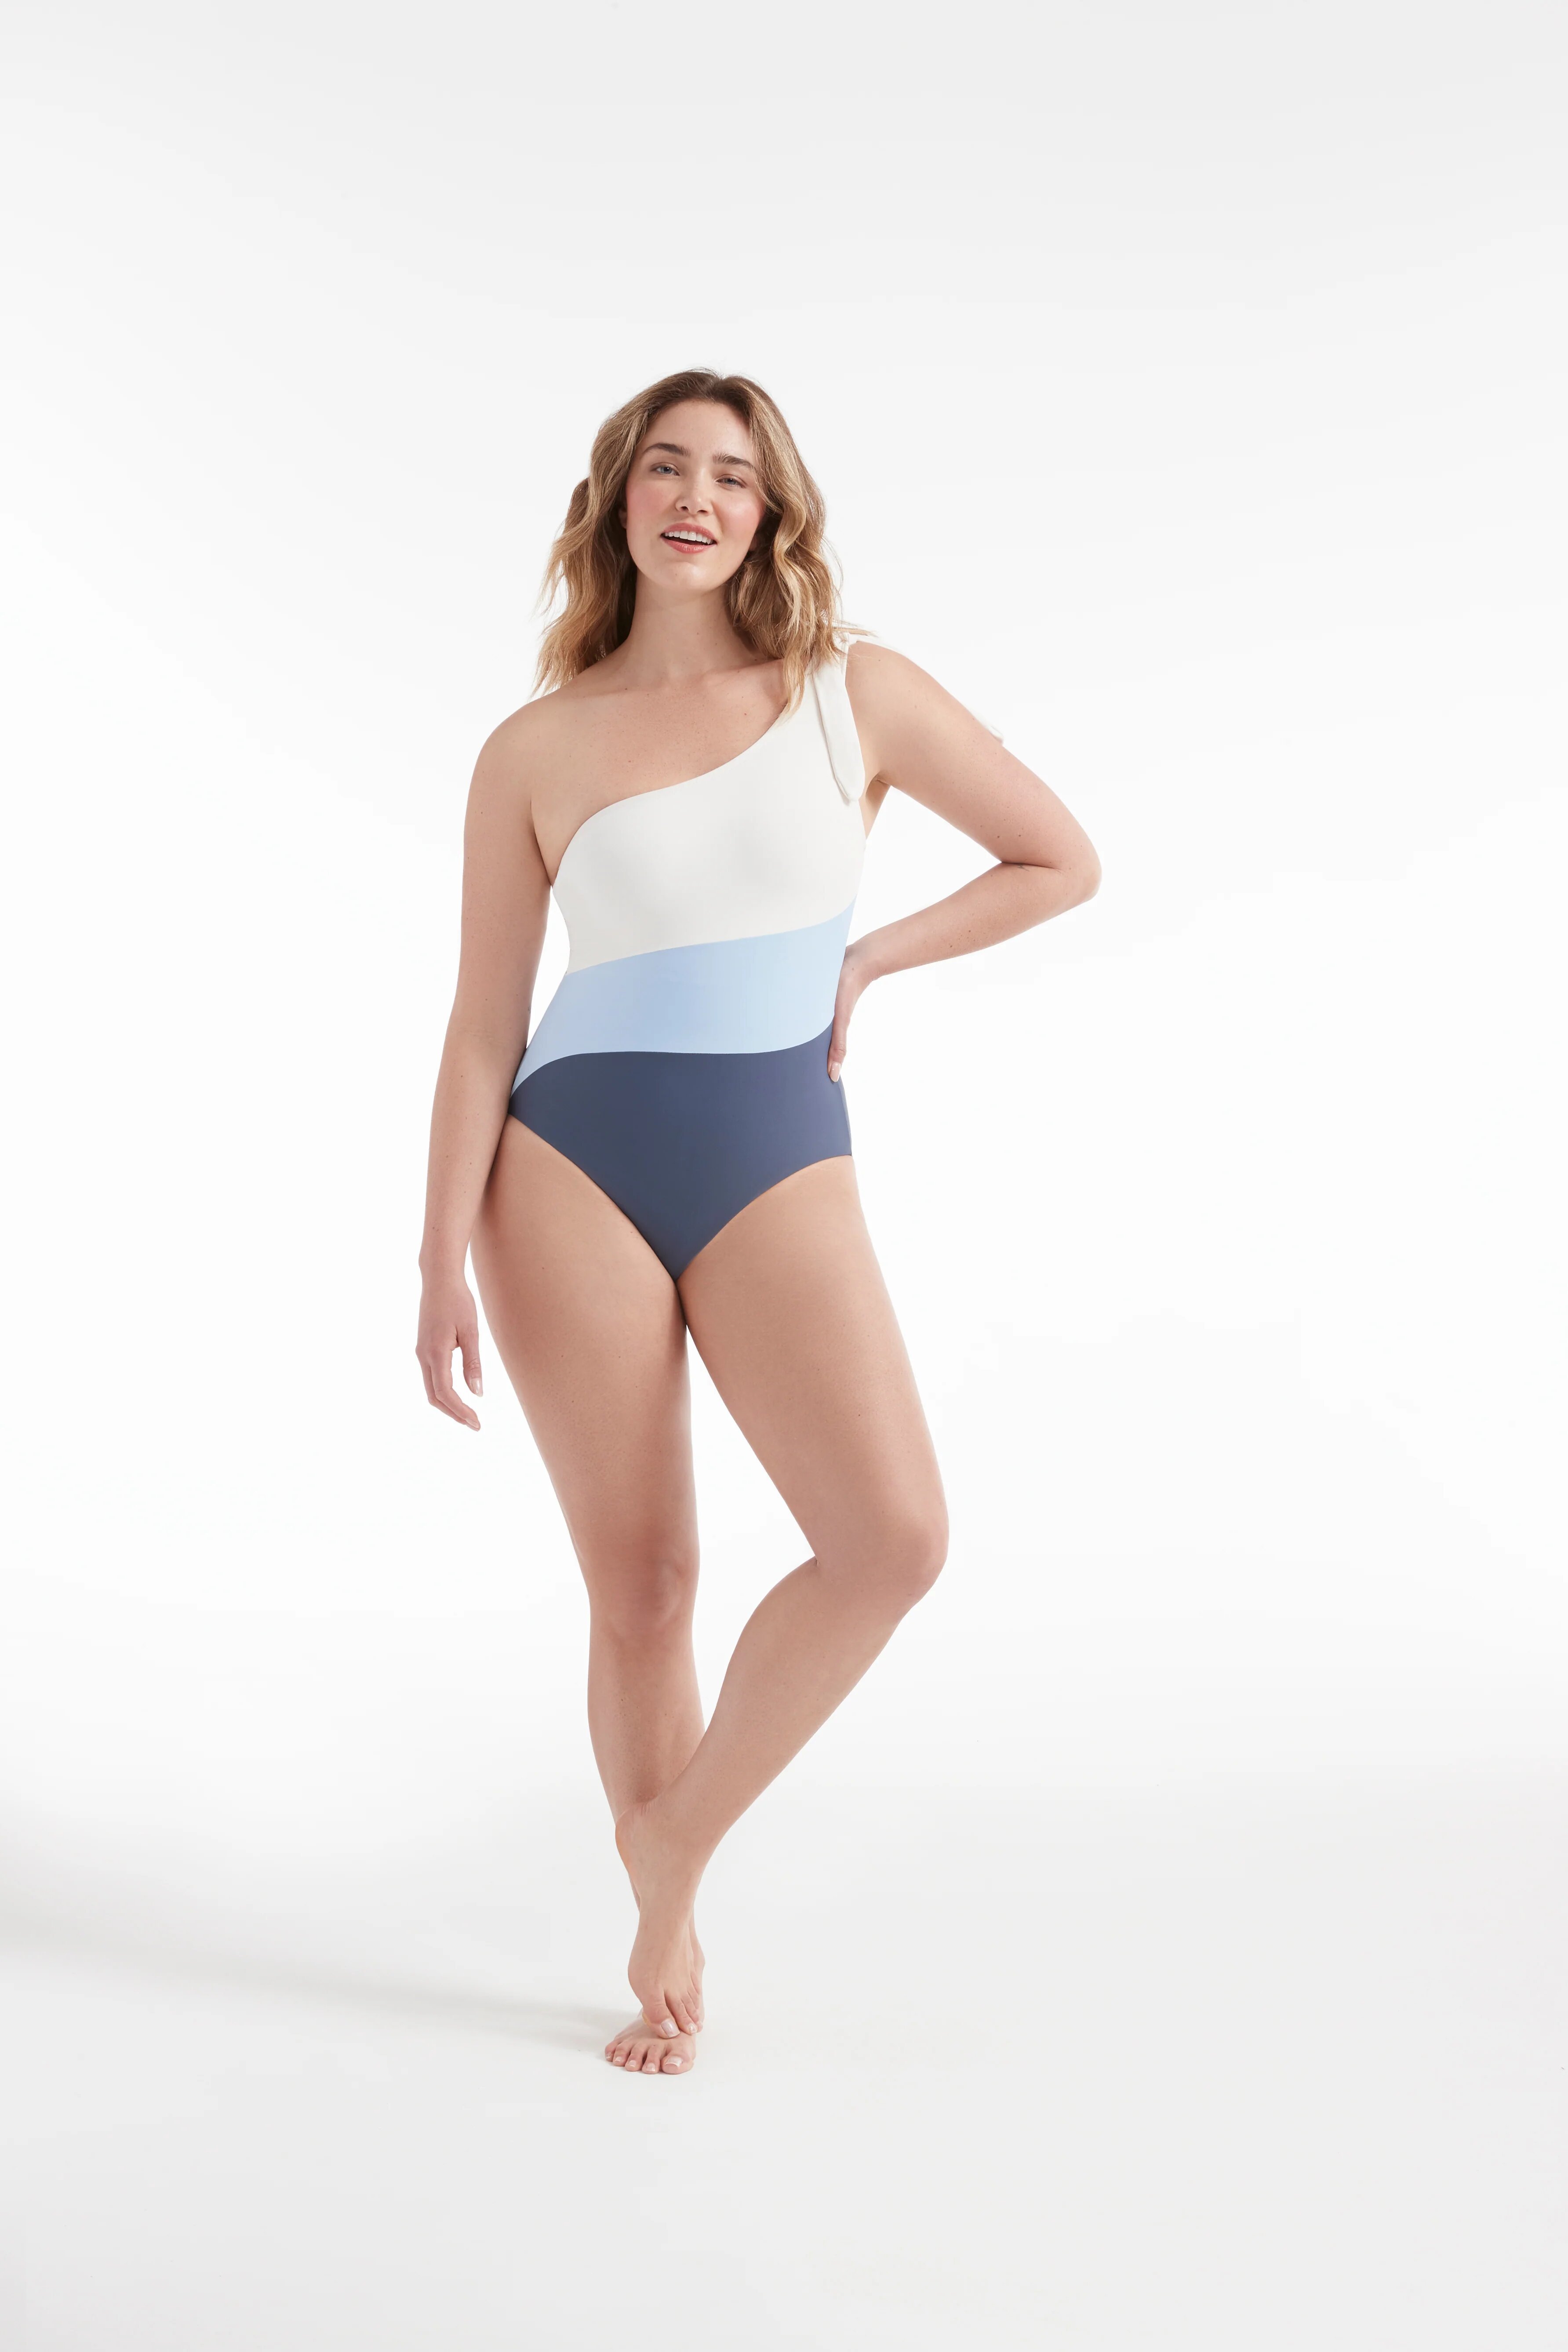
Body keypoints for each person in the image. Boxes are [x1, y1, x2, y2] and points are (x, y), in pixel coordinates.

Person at [415, 369, 1101, 2075]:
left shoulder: (852, 694)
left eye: (731, 475)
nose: (696, 499)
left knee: (892, 1539)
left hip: (779, 1151)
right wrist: (437, 1253)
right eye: (665, 468)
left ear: (770, 511)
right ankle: (669, 1929)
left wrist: (870, 959)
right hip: (562, 1166)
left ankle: (670, 1840)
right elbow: (483, 1024)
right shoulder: (533, 748)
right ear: (618, 500)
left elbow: (1058, 857)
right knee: (644, 1581)